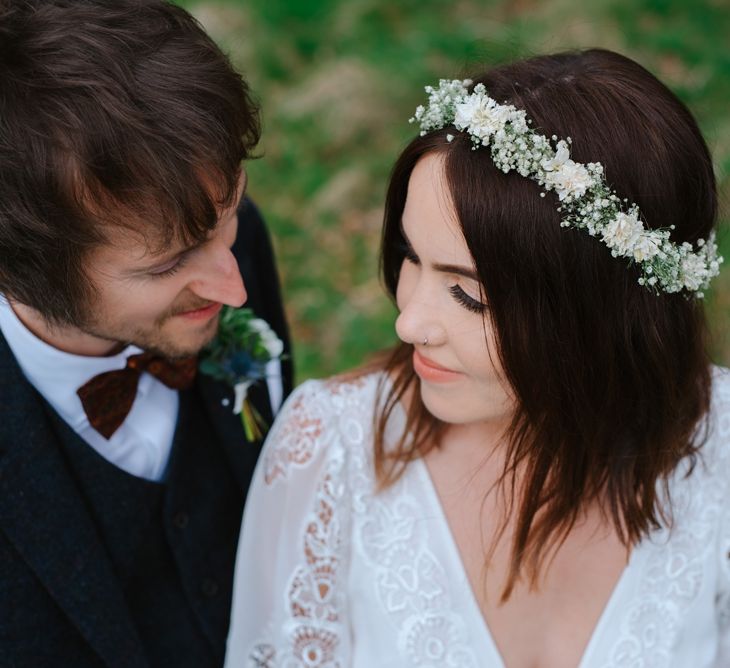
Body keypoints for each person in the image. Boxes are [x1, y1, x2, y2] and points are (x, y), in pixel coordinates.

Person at [225, 48, 729, 667]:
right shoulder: (328, 451)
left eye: (468, 294)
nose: (408, 322)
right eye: (411, 256)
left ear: (601, 313)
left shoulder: (721, 453)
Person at [0, 1, 292, 666]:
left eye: (228, 215)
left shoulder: (227, 244)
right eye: (168, 264)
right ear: (20, 269)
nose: (234, 286)